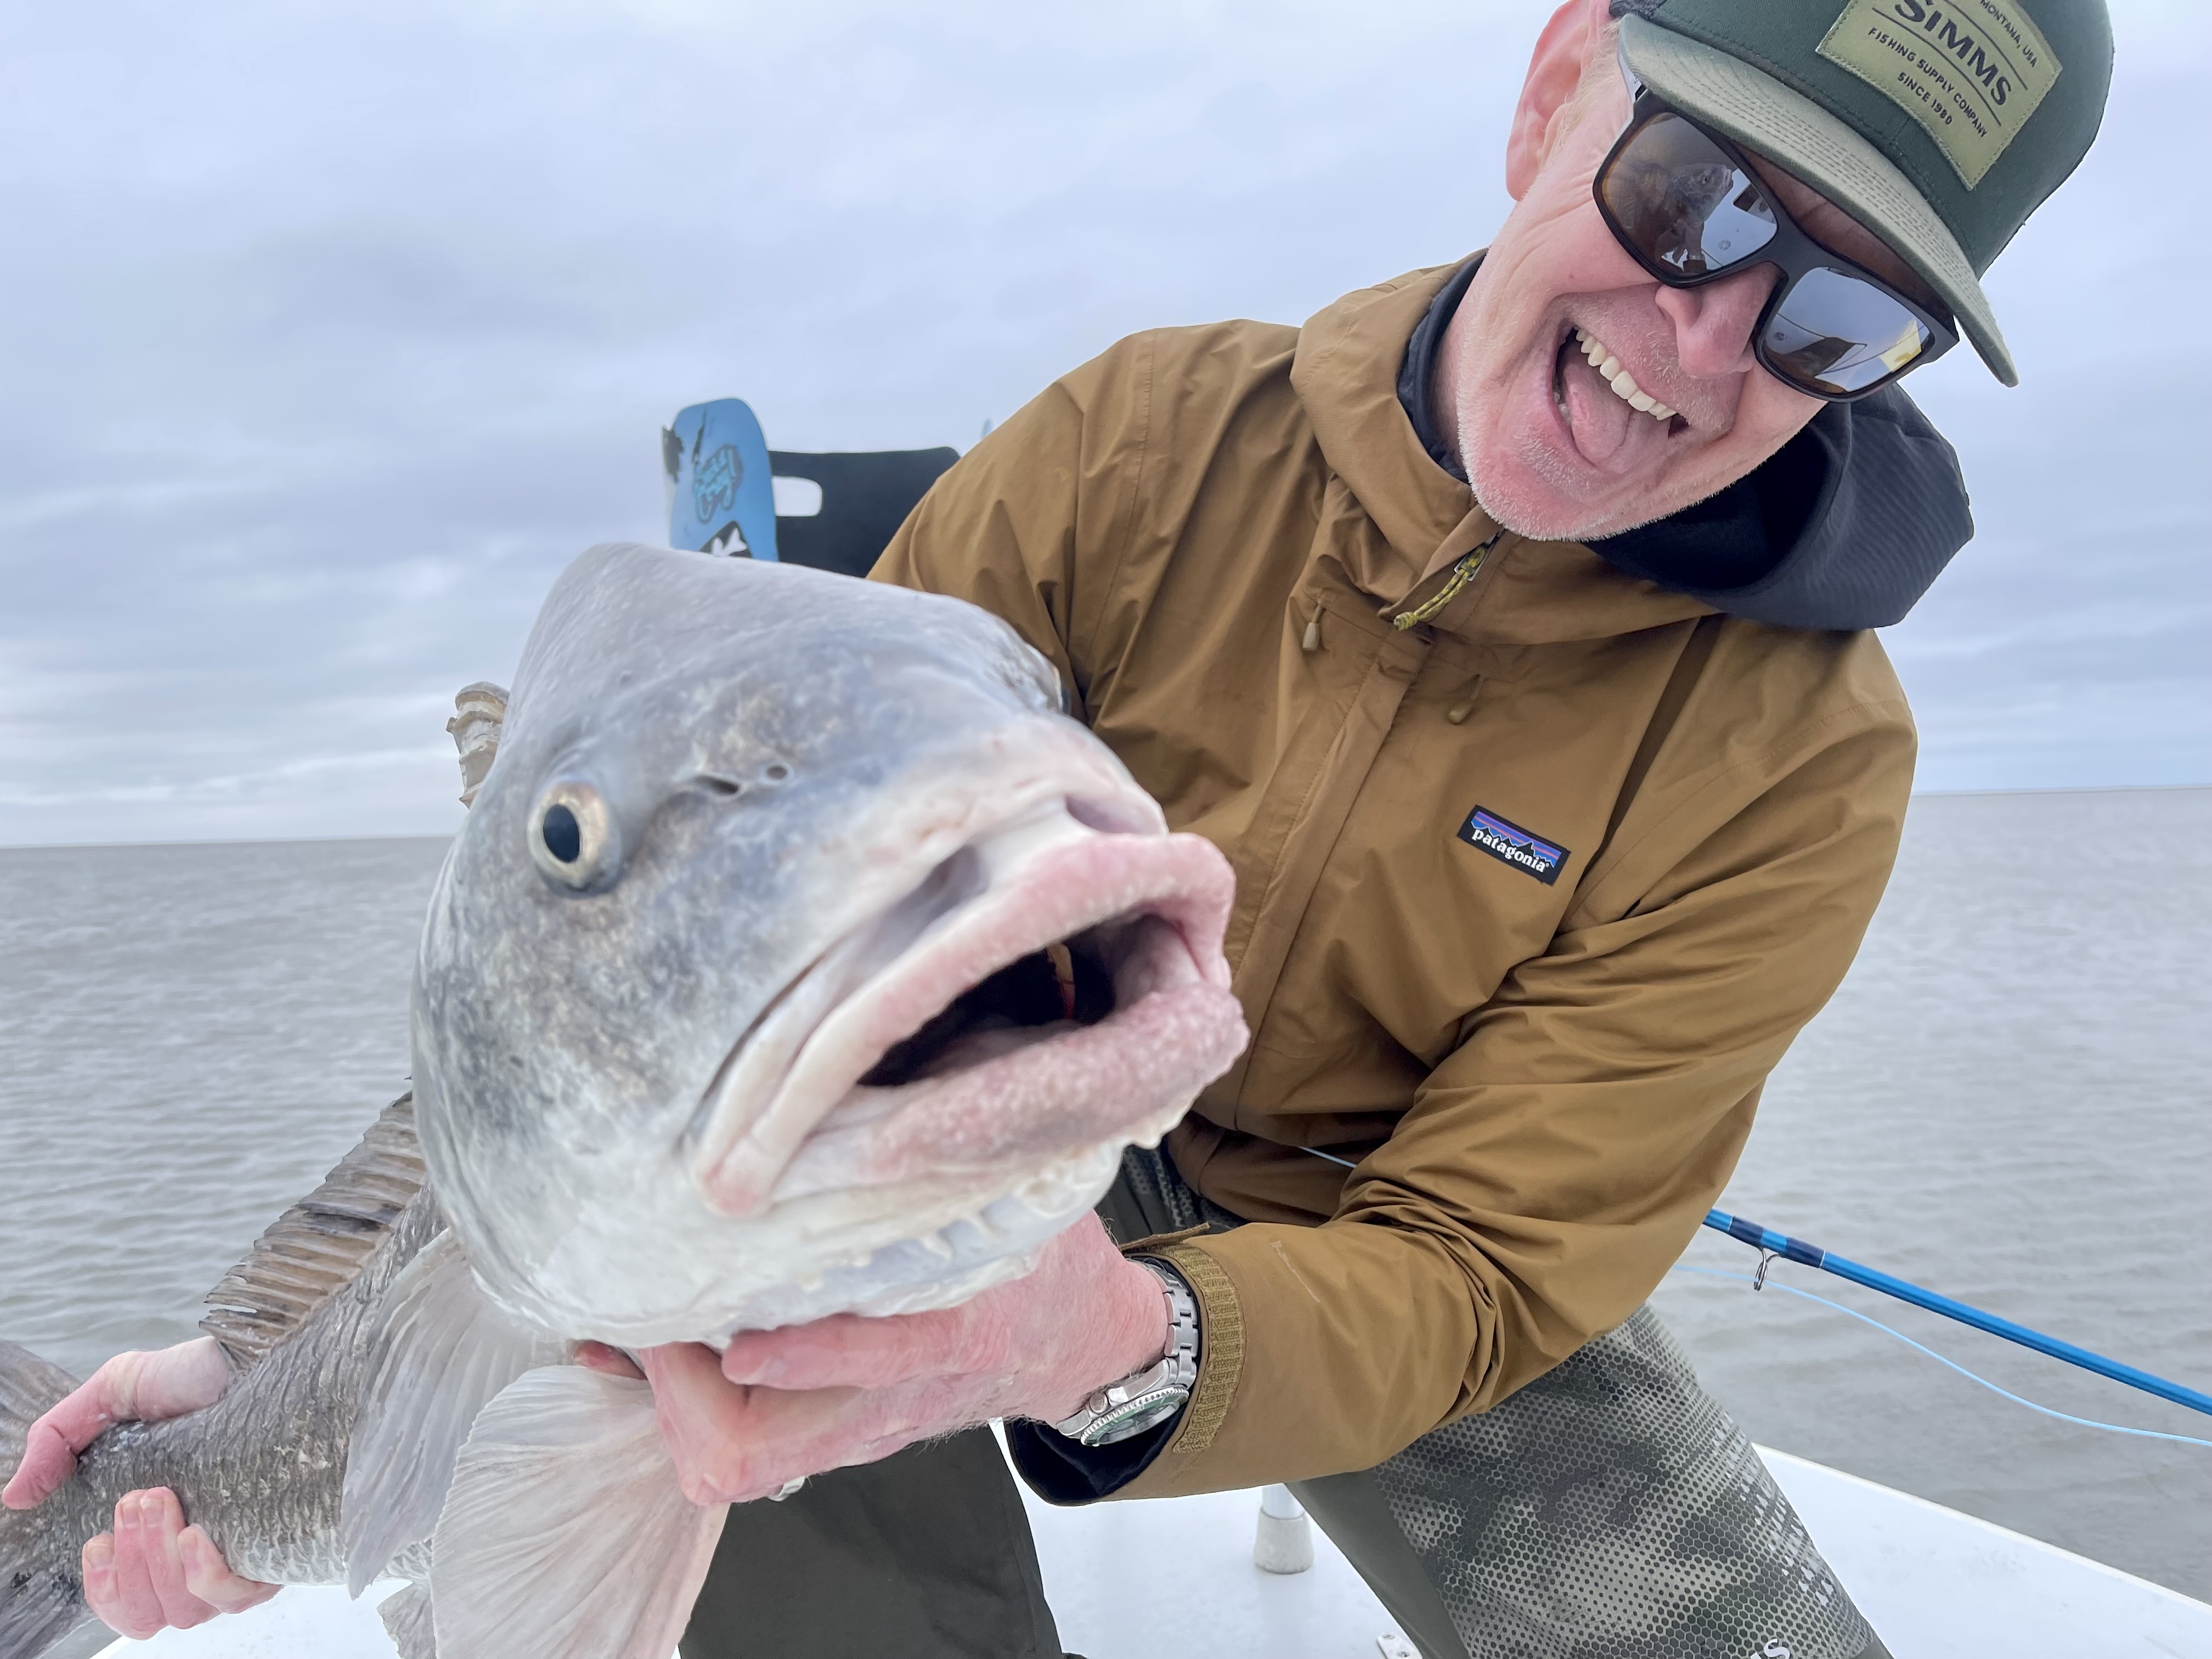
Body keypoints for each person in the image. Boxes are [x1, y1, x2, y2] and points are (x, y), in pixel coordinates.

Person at [4, 1, 2113, 1654]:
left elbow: (1485, 1268)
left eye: (1837, 313)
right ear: (1562, 83)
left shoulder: (1805, 758)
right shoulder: (1138, 444)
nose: (1706, 333)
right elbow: (627, 988)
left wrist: (1099, 1341)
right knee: (728, 1421)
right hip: (931, 1126)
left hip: (1366, 1242)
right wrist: (264, 1338)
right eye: (1696, 199)